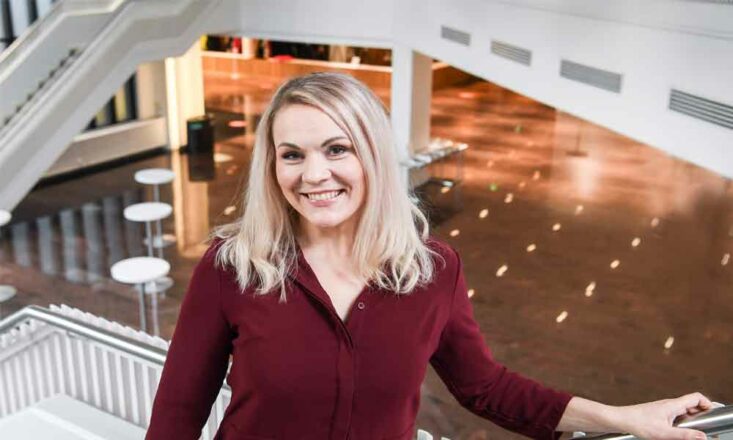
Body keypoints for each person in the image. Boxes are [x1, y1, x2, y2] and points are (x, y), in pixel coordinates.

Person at [146, 72, 714, 440]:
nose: (313, 174)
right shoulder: (232, 266)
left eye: (337, 149)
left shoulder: (432, 270)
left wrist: (620, 418)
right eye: (291, 154)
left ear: (373, 154)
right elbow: (177, 412)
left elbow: (485, 387)